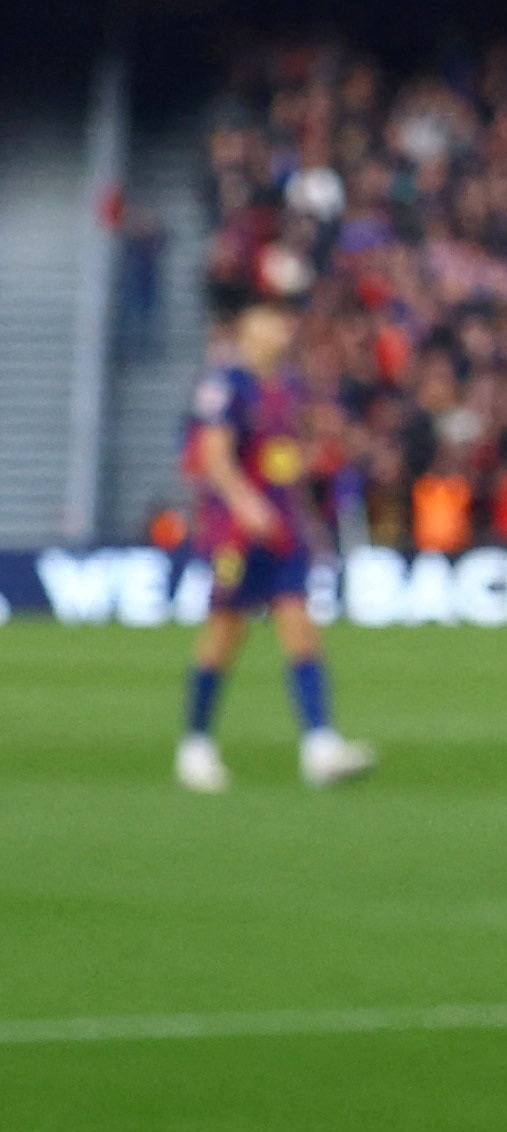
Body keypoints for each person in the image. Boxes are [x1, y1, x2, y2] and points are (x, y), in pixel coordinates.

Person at [174, 303, 375, 793]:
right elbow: (214, 455)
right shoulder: (227, 385)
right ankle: (196, 745)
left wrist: (304, 513)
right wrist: (245, 503)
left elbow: (282, 461)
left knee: (301, 629)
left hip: (284, 531)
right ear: (246, 331)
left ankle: (319, 746)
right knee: (224, 634)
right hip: (239, 534)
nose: (281, 328)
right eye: (267, 320)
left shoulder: (283, 386)